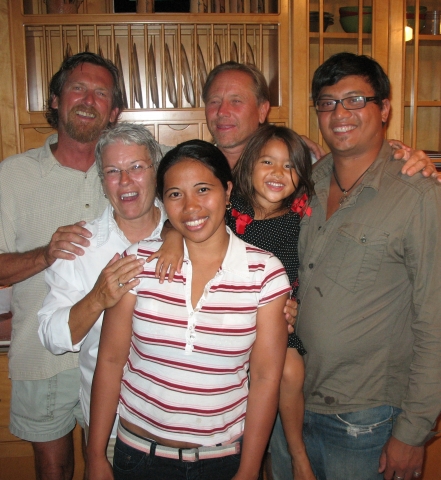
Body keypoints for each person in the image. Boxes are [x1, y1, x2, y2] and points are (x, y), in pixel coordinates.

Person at [86, 140, 291, 480]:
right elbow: (110, 360)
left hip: (221, 461)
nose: (191, 206)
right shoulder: (138, 262)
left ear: (227, 192)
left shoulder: (265, 273)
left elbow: (267, 378)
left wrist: (250, 468)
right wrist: (95, 455)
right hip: (138, 455)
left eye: (202, 189)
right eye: (175, 194)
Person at [295, 52, 441, 480]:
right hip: (294, 404)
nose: (340, 113)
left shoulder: (418, 195)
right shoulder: (310, 180)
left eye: (356, 99)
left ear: (385, 109)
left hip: (368, 420)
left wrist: (413, 432)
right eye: (327, 102)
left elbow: (435, 319)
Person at [0, 52, 124, 479]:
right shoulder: (11, 176)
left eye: (101, 93)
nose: (88, 99)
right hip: (40, 353)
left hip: (119, 355)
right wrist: (44, 254)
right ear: (55, 100)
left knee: (110, 467)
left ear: (114, 112)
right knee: (53, 470)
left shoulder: (134, 167)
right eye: (78, 88)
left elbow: (205, 171)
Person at [37, 122, 172, 464]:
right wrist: (97, 298)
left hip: (182, 428)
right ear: (102, 181)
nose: (125, 181)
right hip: (109, 431)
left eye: (136, 168)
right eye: (113, 171)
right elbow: (51, 336)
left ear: (156, 171)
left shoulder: (189, 231)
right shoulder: (80, 245)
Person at [226, 124, 315, 480]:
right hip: (228, 321)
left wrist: (299, 304)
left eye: (289, 166)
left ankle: (298, 454)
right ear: (248, 166)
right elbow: (185, 221)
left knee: (291, 370)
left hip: (275, 324)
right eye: (267, 162)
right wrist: (171, 237)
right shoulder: (228, 209)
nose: (278, 173)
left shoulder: (299, 221)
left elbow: (312, 272)